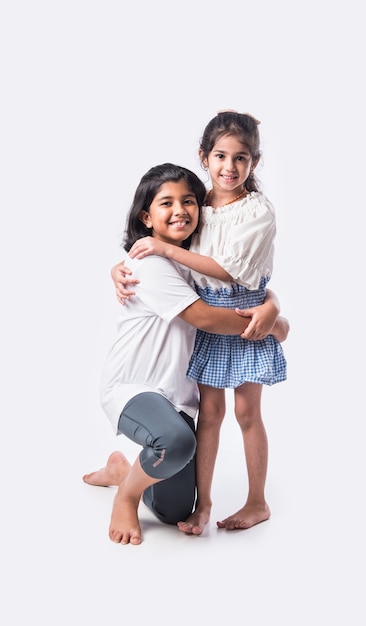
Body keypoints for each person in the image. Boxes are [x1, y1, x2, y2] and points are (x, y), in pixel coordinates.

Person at [83, 162, 288, 546]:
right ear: (147, 217)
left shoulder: (192, 258)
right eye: (166, 203)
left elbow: (242, 283)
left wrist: (272, 303)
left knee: (174, 510)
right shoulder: (152, 263)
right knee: (175, 444)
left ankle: (122, 469)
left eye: (189, 201)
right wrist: (275, 326)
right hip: (134, 388)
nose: (180, 210)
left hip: (178, 399)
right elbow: (207, 317)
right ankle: (127, 495)